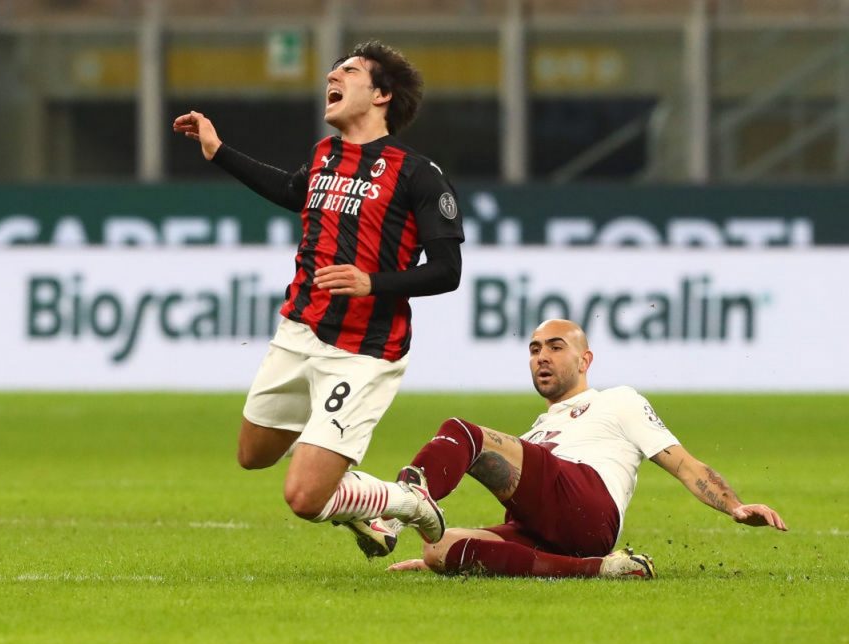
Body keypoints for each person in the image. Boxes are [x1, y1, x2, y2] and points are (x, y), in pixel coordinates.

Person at [172, 41, 465, 550]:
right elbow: (292, 191)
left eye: (349, 70)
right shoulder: (325, 155)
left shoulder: (417, 173)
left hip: (362, 350)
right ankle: (357, 500)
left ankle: (407, 501)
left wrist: (371, 281)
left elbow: (448, 271)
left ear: (381, 95)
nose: (333, 76)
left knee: (305, 497)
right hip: (298, 330)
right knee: (253, 454)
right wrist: (218, 152)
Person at [377, 318, 787, 579]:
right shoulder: (537, 431)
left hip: (588, 502)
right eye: (535, 349)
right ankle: (600, 569)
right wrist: (455, 559)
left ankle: (396, 509)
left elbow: (682, 463)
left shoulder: (618, 400)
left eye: (556, 347)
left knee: (462, 432)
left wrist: (734, 505)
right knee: (436, 547)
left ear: (585, 359)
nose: (542, 357)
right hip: (556, 533)